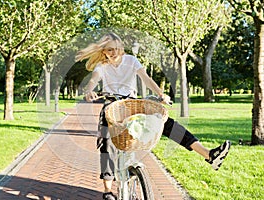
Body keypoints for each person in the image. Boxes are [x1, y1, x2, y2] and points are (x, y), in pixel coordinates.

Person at [75, 33, 231, 200]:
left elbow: (147, 79)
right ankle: (107, 190)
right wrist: (89, 91)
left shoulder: (131, 61)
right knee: (107, 143)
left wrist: (161, 94)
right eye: (110, 50)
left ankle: (209, 155)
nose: (114, 52)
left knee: (165, 123)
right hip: (112, 107)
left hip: (132, 104)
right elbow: (93, 80)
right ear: (104, 51)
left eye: (117, 48)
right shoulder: (102, 65)